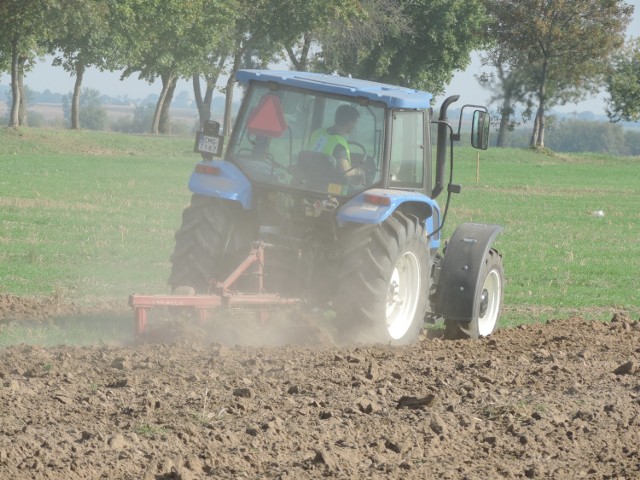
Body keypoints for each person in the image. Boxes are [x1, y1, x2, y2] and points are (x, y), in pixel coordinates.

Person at [308, 104, 364, 180]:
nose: (355, 126)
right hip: (329, 188)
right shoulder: (339, 144)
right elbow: (345, 172)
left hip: (310, 180)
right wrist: (359, 171)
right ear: (350, 123)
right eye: (355, 122)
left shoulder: (317, 133)